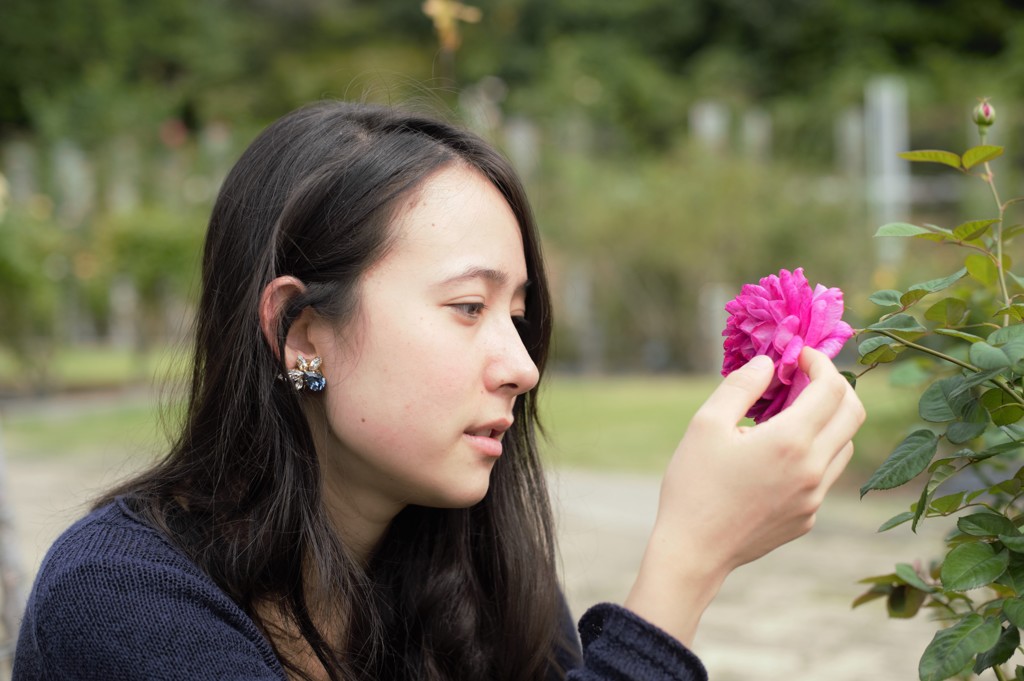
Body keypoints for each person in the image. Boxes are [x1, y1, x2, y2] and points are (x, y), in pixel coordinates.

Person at [12, 101, 864, 681]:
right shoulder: (120, 602)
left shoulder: (472, 576)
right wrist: (686, 563)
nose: (523, 366)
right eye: (467, 307)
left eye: (519, 314)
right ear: (301, 331)